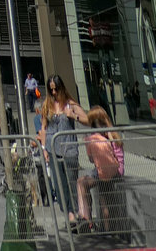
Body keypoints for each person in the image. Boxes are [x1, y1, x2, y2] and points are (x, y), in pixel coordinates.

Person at [39, 74, 88, 227]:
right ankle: (68, 212)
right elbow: (43, 128)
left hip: (69, 150)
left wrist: (73, 115)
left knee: (71, 183)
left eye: (56, 89)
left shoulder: (70, 104)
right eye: (51, 90)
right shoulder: (47, 105)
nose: (53, 93)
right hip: (53, 150)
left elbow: (87, 120)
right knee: (59, 185)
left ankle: (73, 214)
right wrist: (44, 149)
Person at [76, 107, 124, 229]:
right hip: (109, 170)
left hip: (112, 171)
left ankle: (86, 219)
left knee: (84, 185)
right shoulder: (109, 135)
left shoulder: (109, 137)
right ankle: (91, 220)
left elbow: (92, 159)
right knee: (103, 200)